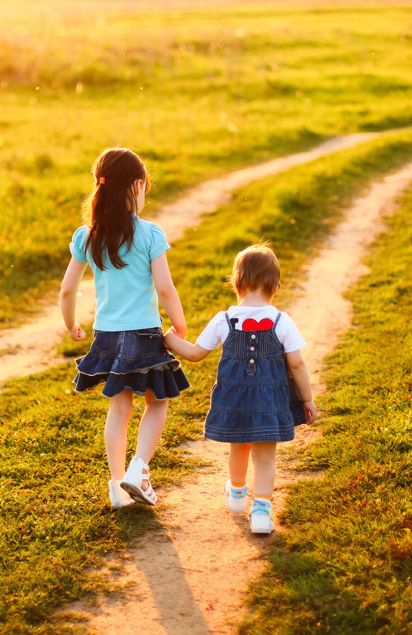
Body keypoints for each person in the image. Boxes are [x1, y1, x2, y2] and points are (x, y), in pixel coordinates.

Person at [60, 147, 190, 508]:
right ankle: (139, 468)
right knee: (157, 401)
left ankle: (118, 487)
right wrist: (178, 321)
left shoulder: (88, 235)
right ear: (136, 186)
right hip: (145, 334)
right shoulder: (149, 234)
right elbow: (165, 287)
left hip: (107, 336)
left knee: (119, 409)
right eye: (145, 187)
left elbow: (69, 288)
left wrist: (71, 324)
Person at [163, 243, 317, 534]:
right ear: (276, 286)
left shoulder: (224, 319)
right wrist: (306, 398)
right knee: (265, 456)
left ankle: (236, 493)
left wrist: (170, 341)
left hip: (234, 400)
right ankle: (260, 510)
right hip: (270, 402)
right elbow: (297, 364)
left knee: (239, 446)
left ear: (236, 283)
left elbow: (196, 353)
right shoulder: (282, 322)